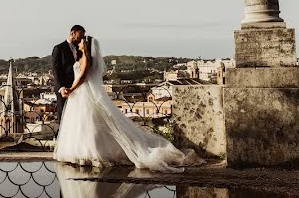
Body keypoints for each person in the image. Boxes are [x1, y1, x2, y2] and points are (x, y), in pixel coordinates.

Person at [53, 34, 203, 171]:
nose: (79, 43)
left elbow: (82, 76)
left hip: (81, 92)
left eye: (82, 41)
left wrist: (71, 89)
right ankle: (86, 150)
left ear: (86, 45)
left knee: (88, 122)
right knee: (85, 123)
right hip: (81, 94)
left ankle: (89, 151)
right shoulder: (83, 57)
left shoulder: (85, 58)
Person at [51, 25, 85, 122]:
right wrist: (61, 88)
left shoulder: (79, 48)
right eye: (79, 36)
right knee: (64, 117)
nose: (81, 39)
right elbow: (56, 70)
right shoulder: (59, 48)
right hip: (64, 88)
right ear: (72, 33)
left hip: (76, 87)